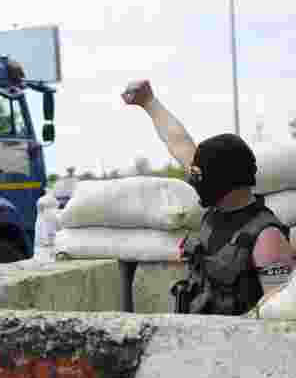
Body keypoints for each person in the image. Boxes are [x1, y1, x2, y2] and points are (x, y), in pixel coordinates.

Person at [122, 79, 294, 315]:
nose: (193, 179)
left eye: (199, 174)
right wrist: (149, 103)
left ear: (221, 178)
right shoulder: (216, 211)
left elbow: (280, 313)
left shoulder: (267, 237)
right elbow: (178, 142)